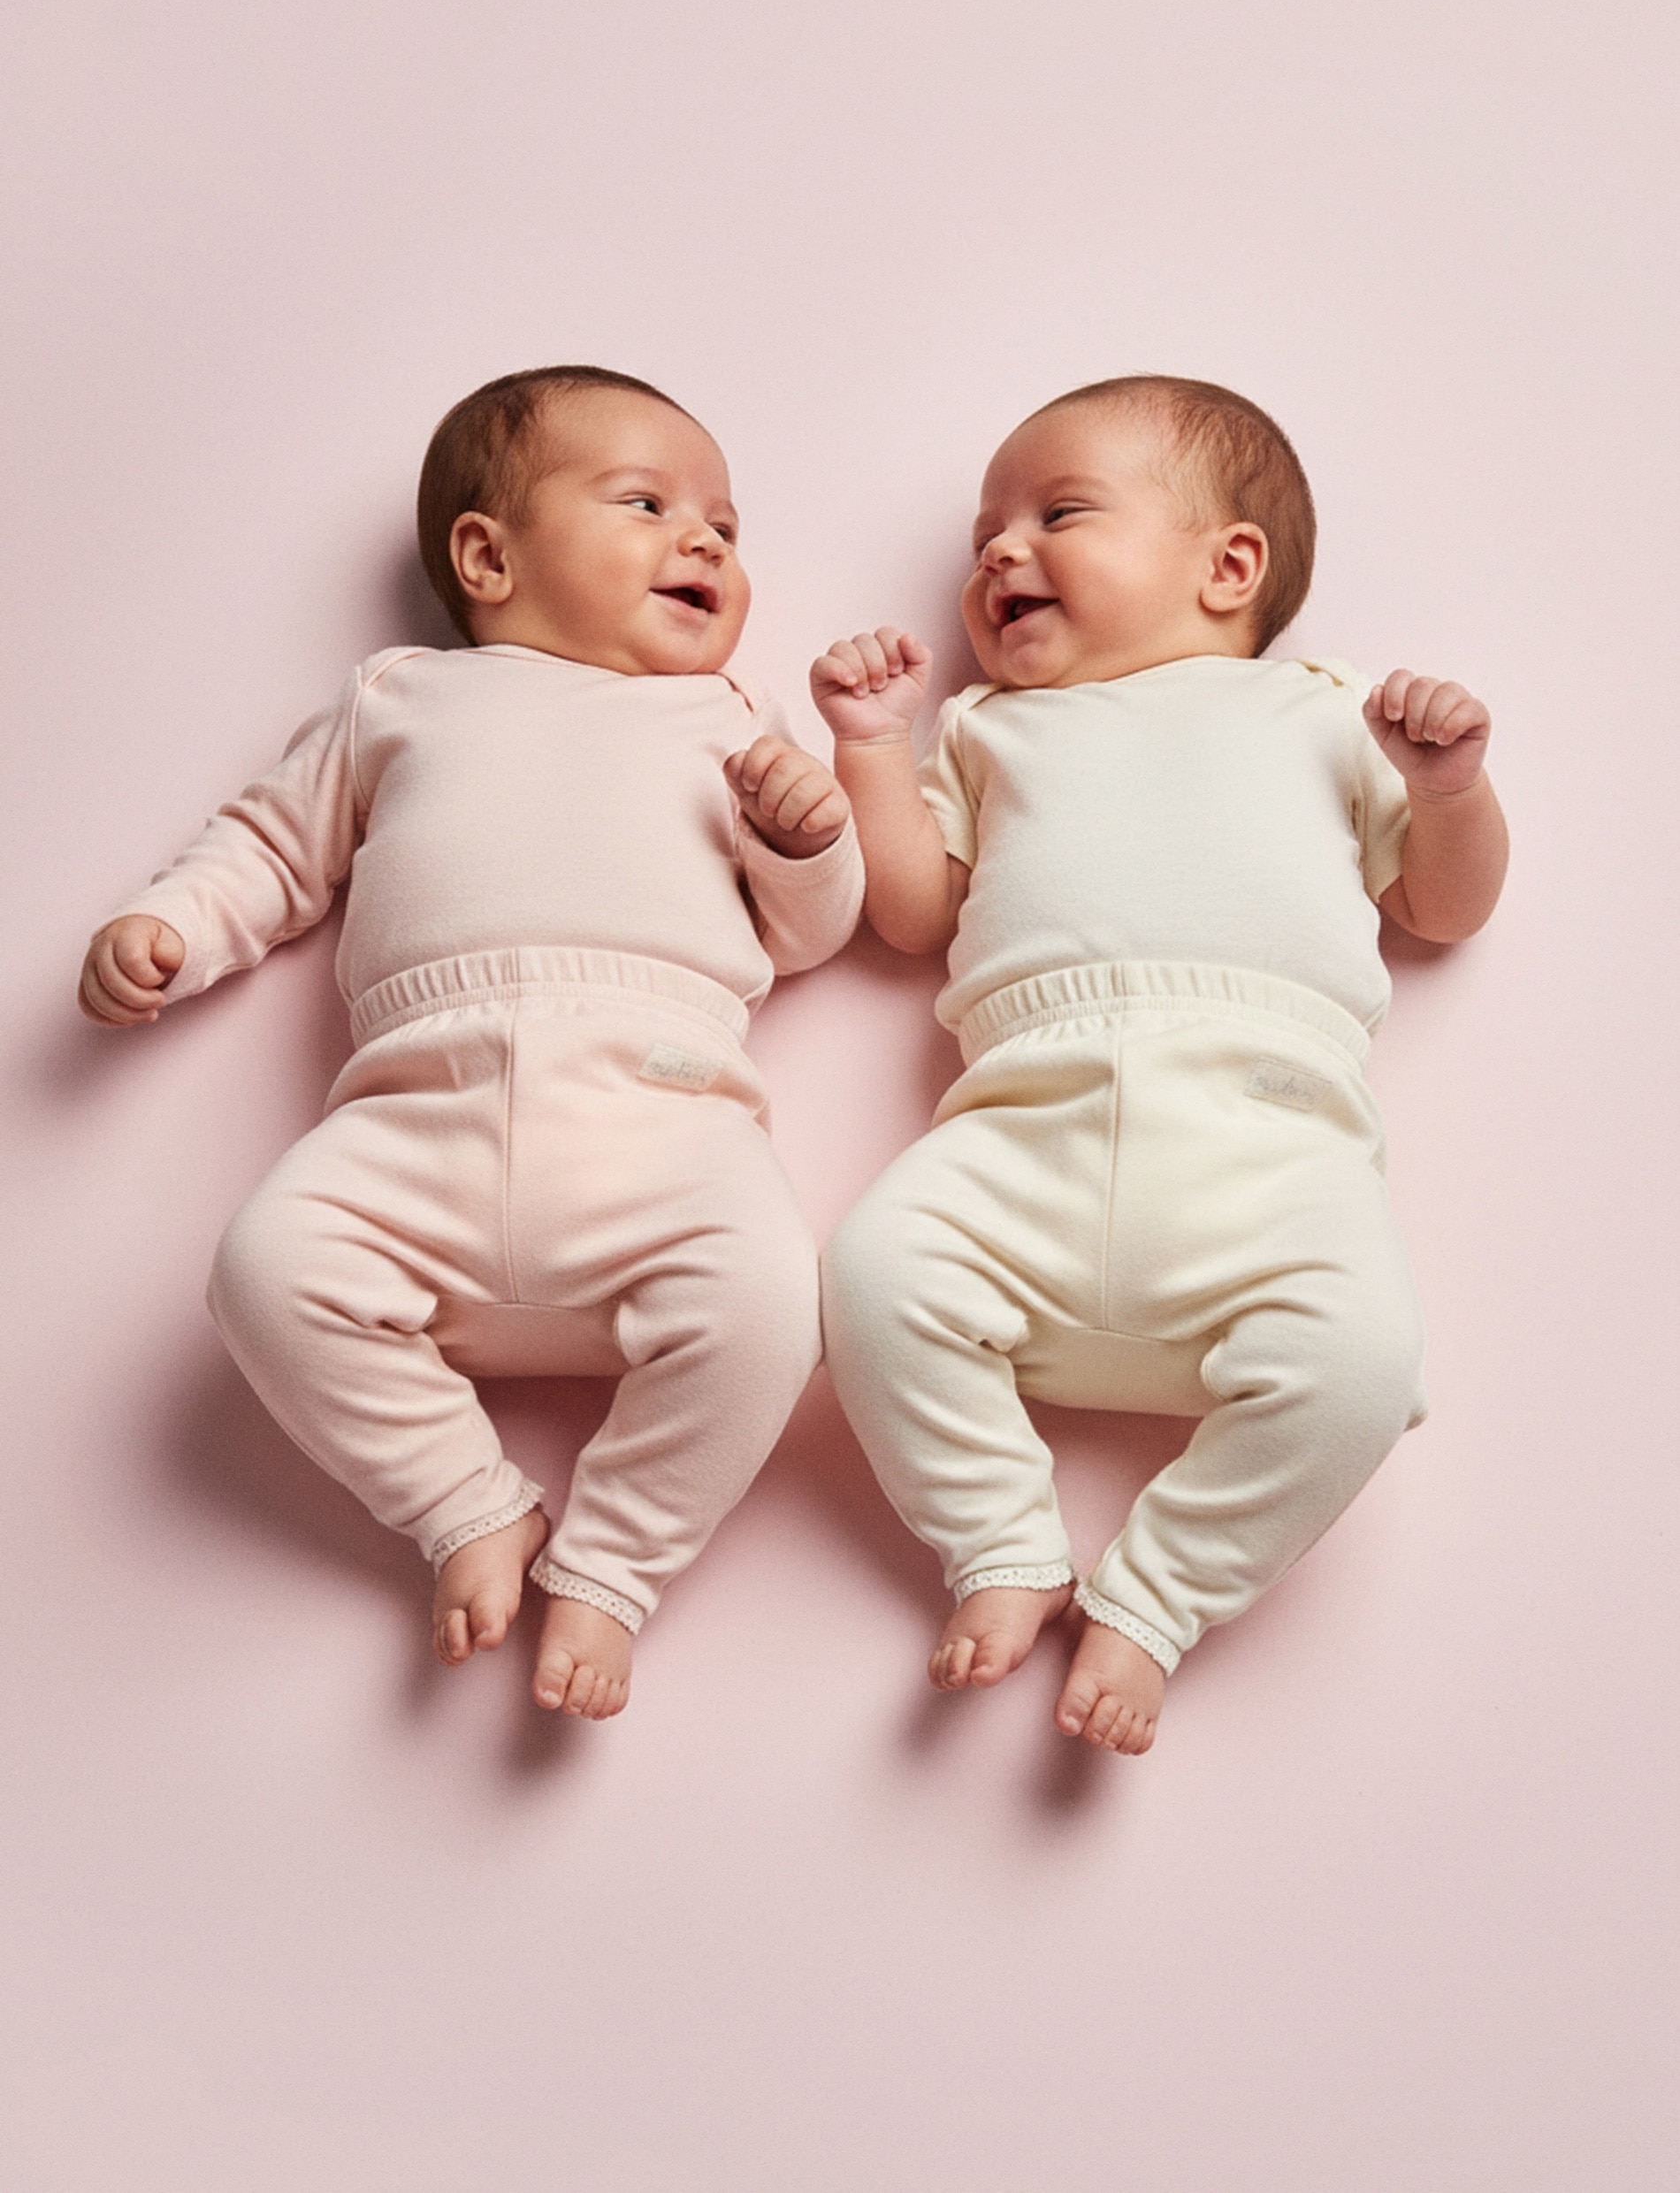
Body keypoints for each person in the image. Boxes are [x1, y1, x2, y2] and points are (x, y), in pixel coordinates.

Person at [80, 365, 862, 1720]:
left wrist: (811, 838)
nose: (705, 540)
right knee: (264, 1270)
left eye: (726, 527)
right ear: (489, 558)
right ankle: (466, 1502)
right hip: (414, 1113)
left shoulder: (732, 723)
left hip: (665, 1113)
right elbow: (271, 846)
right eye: (648, 503)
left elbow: (806, 936)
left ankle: (614, 1564)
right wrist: (172, 925)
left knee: (775, 1305)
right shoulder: (402, 697)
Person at [813, 375, 1507, 1754]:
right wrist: (873, 749)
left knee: (1366, 1362)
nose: (999, 553)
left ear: (1228, 567)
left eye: (1057, 515)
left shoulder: (1327, 714)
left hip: (1272, 1144)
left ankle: (1158, 1595)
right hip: (1024, 1128)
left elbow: (1445, 906)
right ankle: (1001, 1540)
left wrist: (1448, 789)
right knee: (871, 1273)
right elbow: (911, 912)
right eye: (985, 538)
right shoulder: (988, 728)